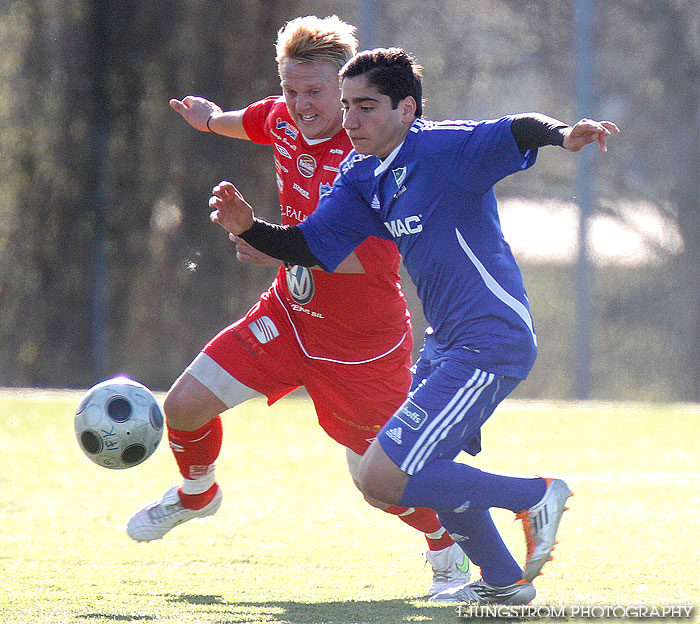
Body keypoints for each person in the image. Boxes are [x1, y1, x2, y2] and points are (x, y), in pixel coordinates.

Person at [209, 46, 620, 605]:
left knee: (382, 479)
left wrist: (564, 133)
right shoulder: (359, 176)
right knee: (414, 472)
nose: (350, 120)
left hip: (488, 340)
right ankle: (504, 583)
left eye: (367, 106)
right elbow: (308, 246)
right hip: (445, 343)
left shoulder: (442, 147)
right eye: (348, 106)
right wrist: (249, 226)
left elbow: (517, 129)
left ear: (406, 109)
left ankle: (535, 496)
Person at [126, 18, 469, 596]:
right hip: (288, 315)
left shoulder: (376, 156)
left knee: (378, 482)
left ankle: (450, 552)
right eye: (290, 89)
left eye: (315, 92)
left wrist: (267, 241)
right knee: (183, 407)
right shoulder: (284, 116)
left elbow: (371, 263)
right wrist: (208, 120)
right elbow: (250, 121)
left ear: (348, 91)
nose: (301, 104)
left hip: (361, 345)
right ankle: (197, 491)